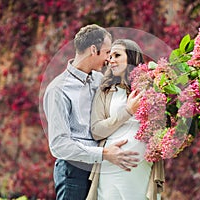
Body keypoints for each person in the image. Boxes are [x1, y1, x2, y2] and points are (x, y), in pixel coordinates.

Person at [43, 25, 140, 200]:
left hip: (101, 169)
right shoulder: (58, 90)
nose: (109, 59)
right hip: (74, 171)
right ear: (93, 50)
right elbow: (59, 144)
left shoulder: (99, 80)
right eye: (107, 52)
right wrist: (103, 154)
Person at [87, 39, 164, 200]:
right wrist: (127, 111)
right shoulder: (105, 91)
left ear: (131, 57)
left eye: (117, 55)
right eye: (110, 56)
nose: (111, 60)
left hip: (141, 166)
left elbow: (161, 124)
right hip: (111, 165)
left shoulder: (151, 86)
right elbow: (96, 131)